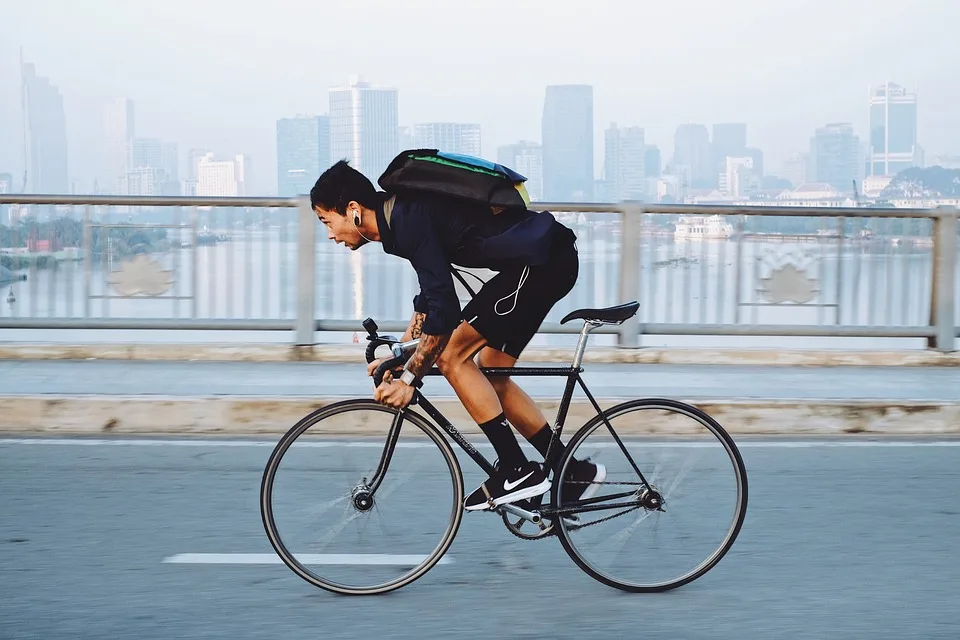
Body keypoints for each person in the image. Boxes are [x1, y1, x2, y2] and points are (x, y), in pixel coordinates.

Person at [310, 159, 605, 512]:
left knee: (453, 357)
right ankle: (571, 471)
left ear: (353, 211)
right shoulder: (399, 217)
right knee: (492, 371)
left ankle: (516, 470)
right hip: (543, 261)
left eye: (328, 221)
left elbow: (445, 312)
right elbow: (430, 296)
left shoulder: (405, 219)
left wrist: (409, 377)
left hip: (539, 266)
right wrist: (403, 352)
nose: (329, 234)